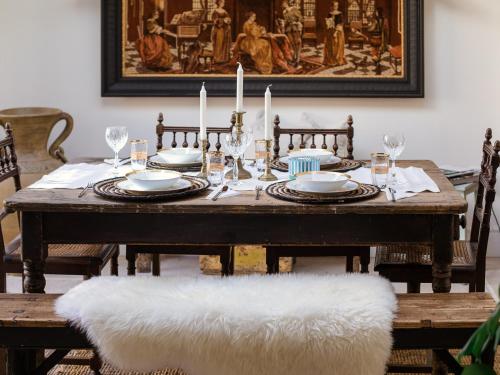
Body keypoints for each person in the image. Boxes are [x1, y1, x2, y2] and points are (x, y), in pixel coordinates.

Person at [323, 1, 346, 66]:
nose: (336, 7)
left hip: (338, 32)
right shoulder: (329, 14)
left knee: (337, 46)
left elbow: (341, 24)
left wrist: (335, 32)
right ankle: (331, 60)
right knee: (330, 46)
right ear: (332, 6)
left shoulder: (340, 14)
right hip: (330, 31)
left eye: (337, 6)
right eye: (334, 6)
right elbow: (328, 23)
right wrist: (328, 24)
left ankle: (337, 60)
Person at [282, 0, 303, 66]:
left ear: (287, 4)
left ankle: (298, 59)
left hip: (295, 28)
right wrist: (283, 24)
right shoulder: (284, 12)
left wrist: (296, 23)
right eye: (282, 4)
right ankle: (294, 57)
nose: (282, 5)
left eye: (283, 4)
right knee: (291, 43)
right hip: (288, 29)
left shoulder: (294, 10)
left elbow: (300, 18)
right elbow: (286, 21)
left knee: (297, 43)